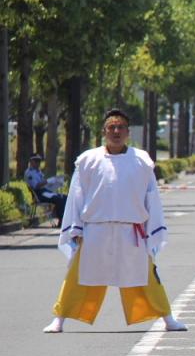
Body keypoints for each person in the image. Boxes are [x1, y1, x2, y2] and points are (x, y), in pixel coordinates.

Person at [43, 109, 186, 334]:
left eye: (120, 128)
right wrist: (76, 228)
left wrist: (153, 231)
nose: (116, 132)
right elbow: (76, 196)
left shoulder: (142, 161)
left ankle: (167, 318)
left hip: (132, 231)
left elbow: (152, 198)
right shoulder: (88, 160)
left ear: (128, 133)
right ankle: (59, 319)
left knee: (146, 276)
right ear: (104, 132)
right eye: (111, 127)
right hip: (95, 230)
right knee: (78, 276)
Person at [24, 154, 66, 226]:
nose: (38, 163)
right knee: (59, 199)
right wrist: (49, 180)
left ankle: (63, 218)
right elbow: (36, 186)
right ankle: (61, 221)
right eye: (36, 161)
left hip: (45, 192)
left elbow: (45, 184)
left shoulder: (38, 172)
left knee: (65, 197)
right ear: (31, 161)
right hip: (39, 194)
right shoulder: (29, 173)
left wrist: (56, 183)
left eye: (39, 161)